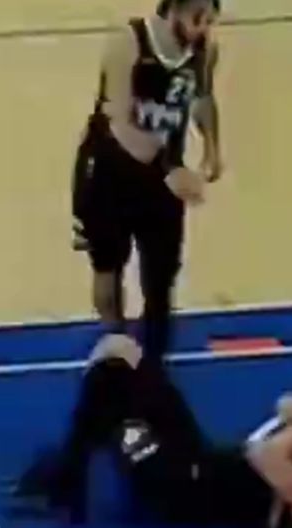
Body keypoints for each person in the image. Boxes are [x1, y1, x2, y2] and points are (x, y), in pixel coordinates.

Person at [7, 334, 292, 528]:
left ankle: (67, 479)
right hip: (195, 456)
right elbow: (286, 405)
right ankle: (69, 473)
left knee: (109, 389)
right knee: (120, 350)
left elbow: (266, 456)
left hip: (176, 489)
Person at [71, 0, 224, 365]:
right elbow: (120, 124)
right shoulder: (128, 43)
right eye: (197, 18)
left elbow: (203, 97)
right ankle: (115, 347)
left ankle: (154, 363)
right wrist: (170, 169)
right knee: (108, 269)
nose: (204, 28)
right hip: (109, 169)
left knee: (162, 276)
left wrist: (212, 147)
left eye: (210, 20)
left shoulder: (203, 49)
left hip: (161, 175)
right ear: (174, 10)